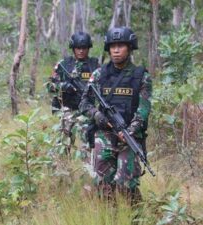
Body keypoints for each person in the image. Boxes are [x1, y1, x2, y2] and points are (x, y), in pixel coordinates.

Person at [79, 27, 152, 203]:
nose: (116, 50)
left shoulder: (141, 76)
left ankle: (136, 218)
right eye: (113, 46)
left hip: (130, 137)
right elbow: (84, 103)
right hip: (104, 135)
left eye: (121, 46)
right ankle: (109, 218)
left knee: (126, 184)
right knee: (103, 183)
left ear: (130, 48)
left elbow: (143, 110)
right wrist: (97, 115)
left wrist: (130, 130)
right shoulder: (99, 74)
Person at [47, 31, 99, 160]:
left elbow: (103, 88)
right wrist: (63, 86)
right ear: (73, 48)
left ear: (89, 48)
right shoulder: (63, 65)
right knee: (62, 144)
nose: (81, 51)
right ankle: (60, 171)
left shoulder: (95, 66)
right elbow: (50, 87)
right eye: (78, 48)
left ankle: (88, 172)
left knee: (88, 143)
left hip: (87, 111)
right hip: (67, 110)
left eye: (84, 48)